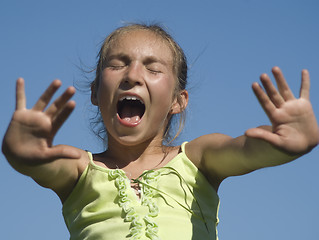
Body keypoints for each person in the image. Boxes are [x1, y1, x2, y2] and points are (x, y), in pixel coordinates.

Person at [2, 24, 318, 240]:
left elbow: (247, 151)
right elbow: (39, 164)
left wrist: (287, 143)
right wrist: (20, 153)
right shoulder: (79, 170)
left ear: (178, 101)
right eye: (117, 65)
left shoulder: (198, 159)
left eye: (153, 69)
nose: (133, 75)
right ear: (96, 92)